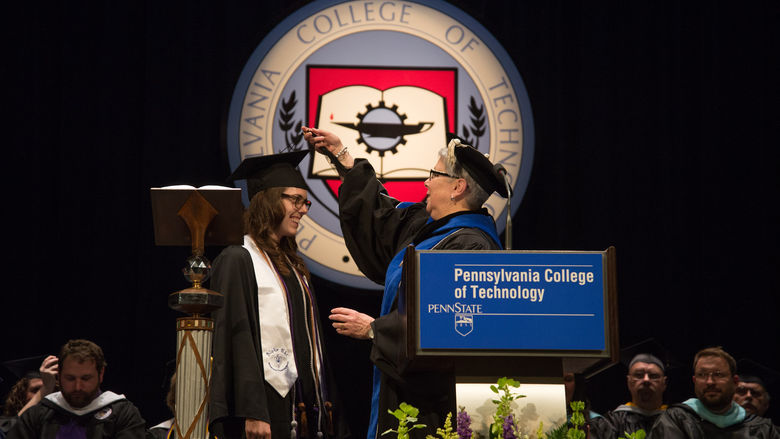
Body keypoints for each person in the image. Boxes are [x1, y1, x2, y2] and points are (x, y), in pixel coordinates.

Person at [304, 127, 508, 439]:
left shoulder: (472, 248)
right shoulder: (428, 230)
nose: (426, 181)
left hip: (434, 404)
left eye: (433, 174)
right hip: (402, 389)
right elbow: (381, 216)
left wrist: (375, 329)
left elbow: (449, 325)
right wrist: (342, 157)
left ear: (458, 187)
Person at [208, 150, 348, 439]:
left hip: (303, 411)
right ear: (268, 200)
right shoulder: (238, 259)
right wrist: (253, 410)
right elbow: (235, 337)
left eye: (304, 201)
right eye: (294, 199)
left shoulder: (293, 266)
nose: (304, 209)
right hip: (264, 413)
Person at [7, 339, 146, 439]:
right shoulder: (39, 414)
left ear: (101, 374)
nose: (77, 387)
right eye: (70, 378)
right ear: (59, 374)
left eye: (85, 378)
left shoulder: (122, 413)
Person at [648, 346, 779, 438]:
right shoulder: (676, 420)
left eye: (718, 374)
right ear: (694, 380)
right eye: (702, 375)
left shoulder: (763, 429)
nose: (710, 382)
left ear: (734, 381)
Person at [590, 353, 668, 438]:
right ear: (629, 381)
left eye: (653, 376)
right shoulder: (610, 423)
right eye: (639, 375)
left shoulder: (677, 420)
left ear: (664, 383)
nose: (646, 380)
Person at [1, 355, 58, 437]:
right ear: (21, 396)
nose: (47, 396)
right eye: (36, 390)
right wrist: (46, 388)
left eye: (52, 391)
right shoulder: (5, 424)